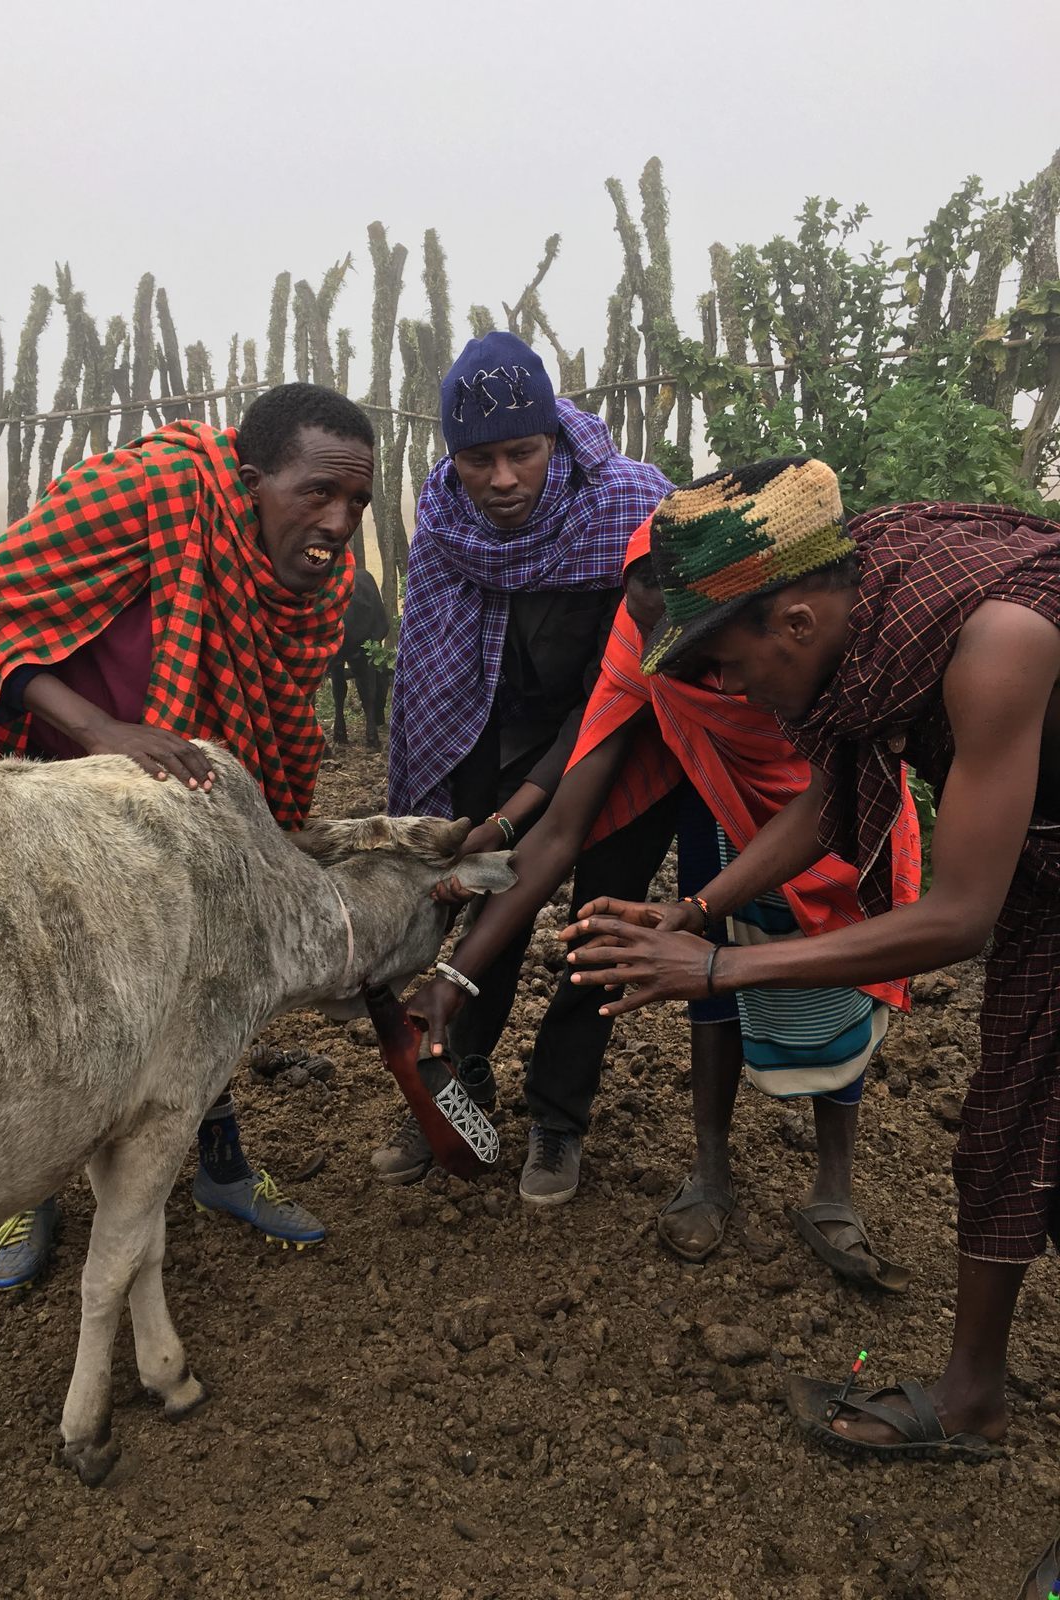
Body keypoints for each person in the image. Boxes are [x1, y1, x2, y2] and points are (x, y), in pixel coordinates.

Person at [561, 457, 1060, 1581]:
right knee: (1004, 1131)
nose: (732, 694)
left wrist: (719, 972)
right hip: (1050, 876)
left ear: (792, 615)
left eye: (731, 664)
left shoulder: (998, 644)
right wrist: (694, 909)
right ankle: (971, 1400)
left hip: (1019, 886)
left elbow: (960, 915)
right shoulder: (868, 597)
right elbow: (828, 802)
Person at [0, 383, 375, 1287]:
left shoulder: (324, 580)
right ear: (247, 482)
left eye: (357, 501)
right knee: (36, 984)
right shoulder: (149, 490)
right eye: (317, 492)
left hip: (182, 802)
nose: (340, 521)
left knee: (210, 964)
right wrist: (103, 735)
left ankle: (222, 1165)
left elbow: (273, 715)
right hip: (52, 786)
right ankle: (24, 1197)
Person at [409, 520, 918, 1279]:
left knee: (838, 990)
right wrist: (453, 978)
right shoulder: (646, 643)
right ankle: (710, 1172)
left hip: (836, 810)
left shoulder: (836, 640)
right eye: (649, 637)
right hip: (718, 798)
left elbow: (835, 795)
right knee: (703, 985)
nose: (665, 663)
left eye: (684, 643)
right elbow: (555, 838)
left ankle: (833, 1189)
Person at [379, 331, 672, 1201]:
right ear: (451, 456)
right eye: (478, 458)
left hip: (623, 731)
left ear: (554, 440)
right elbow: (431, 656)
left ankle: (559, 1115)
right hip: (490, 733)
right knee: (481, 900)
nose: (502, 479)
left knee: (599, 925)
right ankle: (458, 1080)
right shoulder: (441, 519)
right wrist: (498, 806)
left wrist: (529, 804)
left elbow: (620, 678)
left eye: (523, 452)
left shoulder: (629, 507)